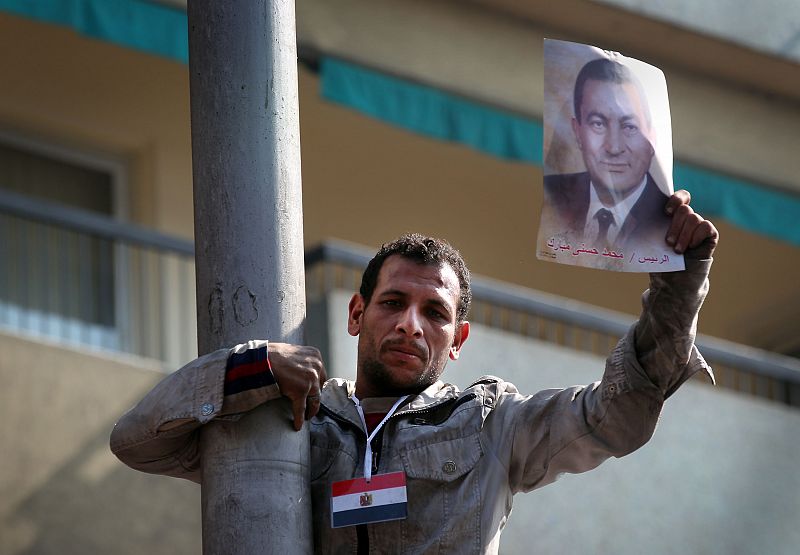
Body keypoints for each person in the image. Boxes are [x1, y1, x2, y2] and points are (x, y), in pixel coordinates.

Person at [111, 191, 718, 554]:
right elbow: (136, 441)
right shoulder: (294, 417)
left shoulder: (491, 424)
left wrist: (679, 283)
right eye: (393, 303)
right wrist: (251, 367)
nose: (410, 325)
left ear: (458, 340)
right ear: (357, 314)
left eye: (434, 313)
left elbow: (615, 419)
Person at [543, 57, 670, 252]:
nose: (614, 148)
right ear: (577, 132)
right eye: (598, 124)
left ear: (652, 138)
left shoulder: (672, 223)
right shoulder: (547, 197)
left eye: (629, 127)